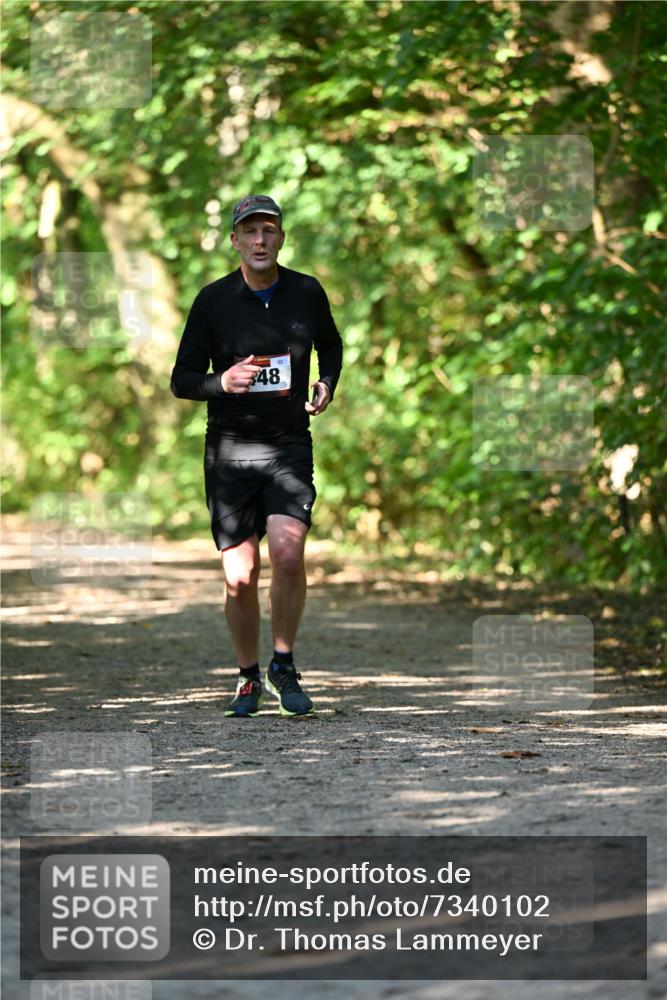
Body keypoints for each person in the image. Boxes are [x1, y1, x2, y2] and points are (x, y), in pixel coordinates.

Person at [170, 194, 343, 718]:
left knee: (289, 554)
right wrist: (220, 381)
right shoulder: (212, 301)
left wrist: (327, 383)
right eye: (250, 232)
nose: (260, 241)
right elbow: (181, 380)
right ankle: (247, 677)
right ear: (236, 241)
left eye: (269, 231)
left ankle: (283, 665)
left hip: (289, 445)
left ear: (281, 237)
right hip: (229, 451)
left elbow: (331, 345)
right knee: (241, 575)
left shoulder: (306, 292)